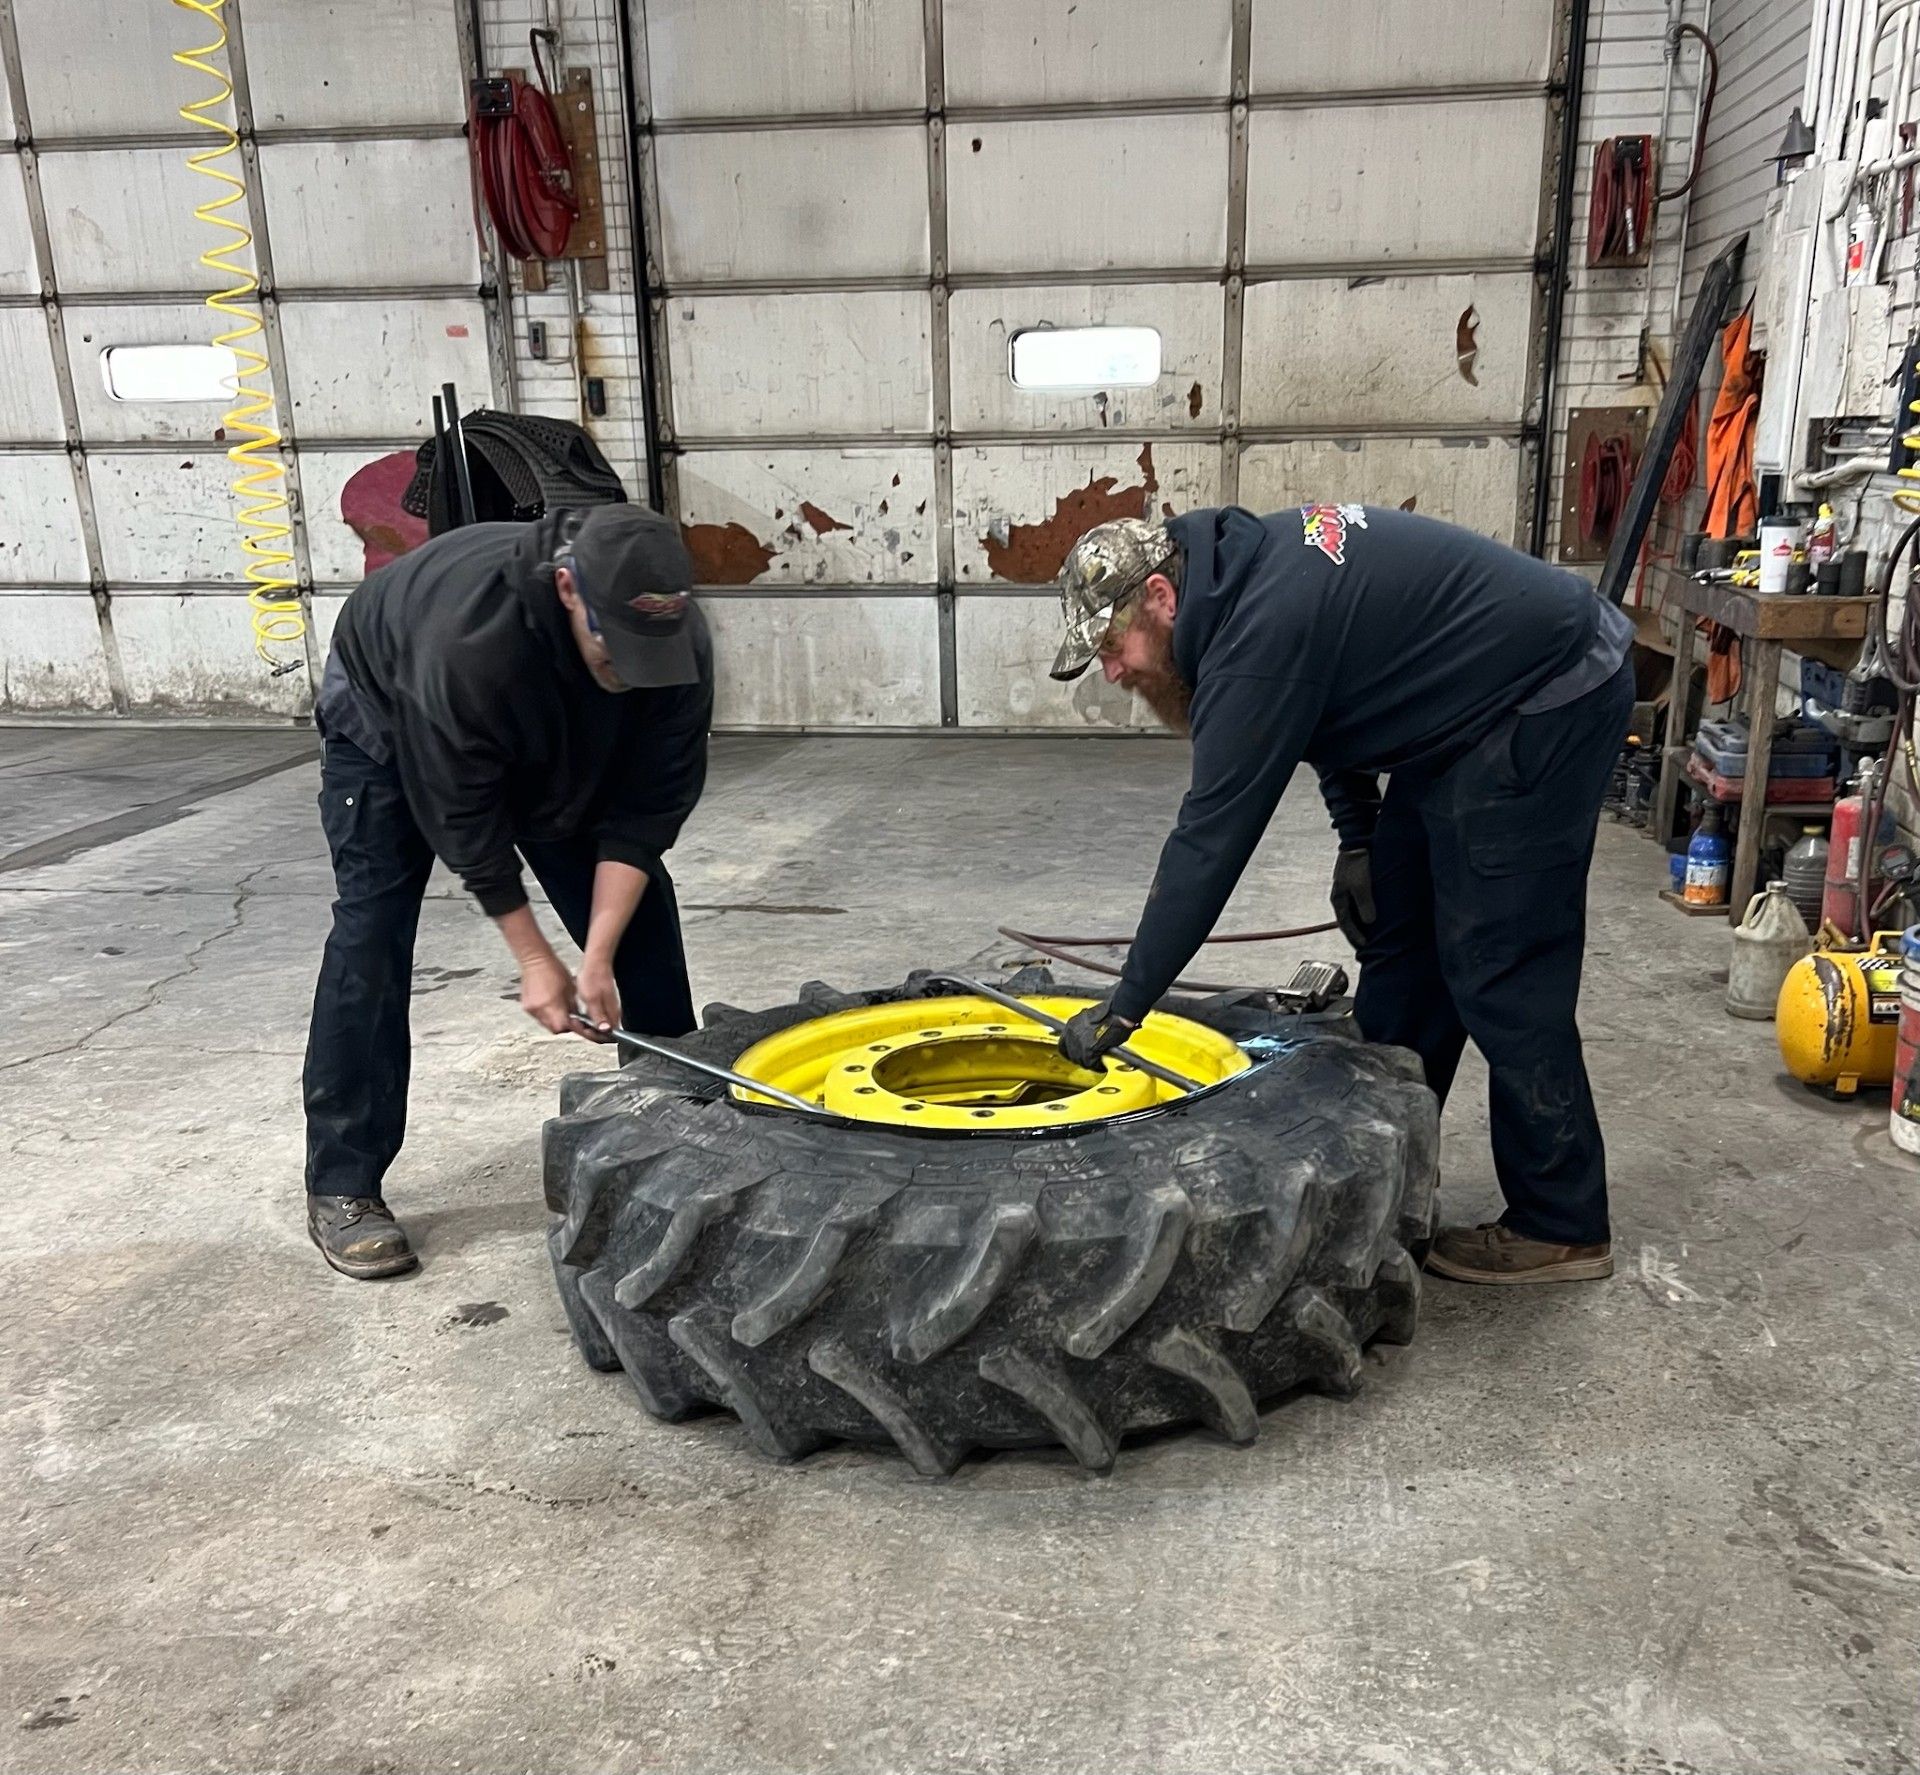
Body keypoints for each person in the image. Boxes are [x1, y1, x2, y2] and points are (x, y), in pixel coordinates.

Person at [1047, 505, 1635, 1285]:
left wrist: (1130, 1000)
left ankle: (1562, 1223)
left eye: (1113, 648)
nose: (1112, 671)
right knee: (1402, 936)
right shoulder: (1232, 585)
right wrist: (1360, 835)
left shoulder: (1253, 640)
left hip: (1547, 690)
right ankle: (1389, 1175)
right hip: (1465, 707)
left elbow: (1209, 842)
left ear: (1159, 596)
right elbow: (1339, 698)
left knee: (1498, 961)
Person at [303, 504, 712, 1280]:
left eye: (647, 653)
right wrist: (535, 959)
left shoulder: (672, 640)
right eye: (614, 649)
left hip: (540, 722)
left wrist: (594, 958)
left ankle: (677, 1126)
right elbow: (464, 820)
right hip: (389, 714)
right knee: (373, 931)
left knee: (639, 922)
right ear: (567, 589)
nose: (631, 669)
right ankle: (343, 1181)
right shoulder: (469, 643)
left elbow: (645, 813)